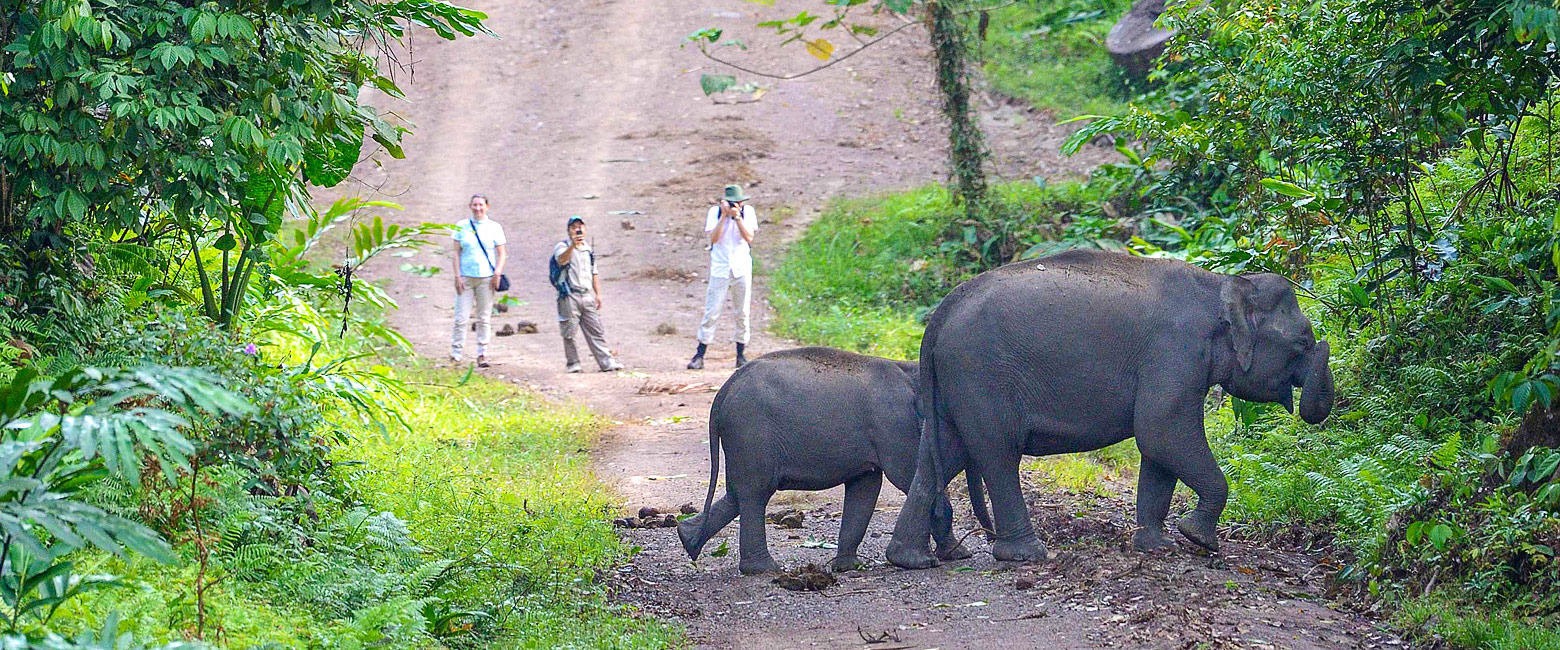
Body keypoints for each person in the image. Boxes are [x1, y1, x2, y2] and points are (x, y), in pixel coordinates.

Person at [688, 184, 758, 370]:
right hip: (720, 269)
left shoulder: (748, 213)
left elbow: (749, 237)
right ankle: (700, 353)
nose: (736, 205)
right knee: (712, 311)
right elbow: (714, 238)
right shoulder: (715, 213)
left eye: (738, 202)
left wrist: (737, 218)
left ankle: (741, 353)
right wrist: (725, 216)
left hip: (741, 268)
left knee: (742, 311)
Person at [554, 216, 625, 373]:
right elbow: (561, 260)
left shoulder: (588, 249)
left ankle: (606, 362)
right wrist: (573, 245)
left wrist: (598, 294)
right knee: (569, 332)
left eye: (580, 227)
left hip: (586, 294)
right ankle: (573, 364)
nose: (577, 230)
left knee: (596, 330)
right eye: (574, 227)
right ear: (568, 230)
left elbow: (594, 272)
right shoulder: (562, 246)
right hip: (569, 294)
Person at [450, 194, 505, 368]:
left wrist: (497, 273)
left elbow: (502, 253)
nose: (478, 208)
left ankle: (482, 353)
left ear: (487, 206)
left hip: (486, 279)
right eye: (475, 205)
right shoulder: (461, 226)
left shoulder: (494, 227)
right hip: (466, 277)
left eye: (481, 205)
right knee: (461, 317)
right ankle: (456, 353)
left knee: (484, 317)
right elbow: (456, 252)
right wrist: (457, 275)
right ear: (470, 206)